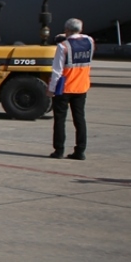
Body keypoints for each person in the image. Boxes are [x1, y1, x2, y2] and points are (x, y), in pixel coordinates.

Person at [48, 18, 94, 160]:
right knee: (79, 119)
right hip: (82, 86)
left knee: (60, 120)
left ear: (66, 30)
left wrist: (51, 89)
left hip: (65, 87)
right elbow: (81, 38)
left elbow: (57, 70)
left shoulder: (63, 46)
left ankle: (59, 150)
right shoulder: (89, 41)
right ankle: (80, 151)